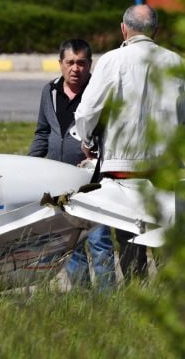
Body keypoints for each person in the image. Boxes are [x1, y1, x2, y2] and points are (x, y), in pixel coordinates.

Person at [75, 4, 185, 281]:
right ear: (157, 30)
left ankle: (135, 291)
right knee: (165, 236)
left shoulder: (112, 60)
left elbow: (88, 111)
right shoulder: (175, 62)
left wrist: (87, 139)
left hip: (122, 166)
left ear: (123, 29)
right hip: (164, 167)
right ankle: (167, 296)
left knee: (129, 237)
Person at [28, 38, 114, 288]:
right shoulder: (50, 91)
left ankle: (108, 299)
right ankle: (82, 296)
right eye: (70, 62)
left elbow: (112, 134)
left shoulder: (99, 94)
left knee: (99, 242)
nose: (75, 68)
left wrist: (96, 158)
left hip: (93, 182)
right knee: (71, 243)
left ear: (90, 65)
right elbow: (42, 132)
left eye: (81, 63)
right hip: (59, 180)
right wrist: (30, 164)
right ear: (60, 64)